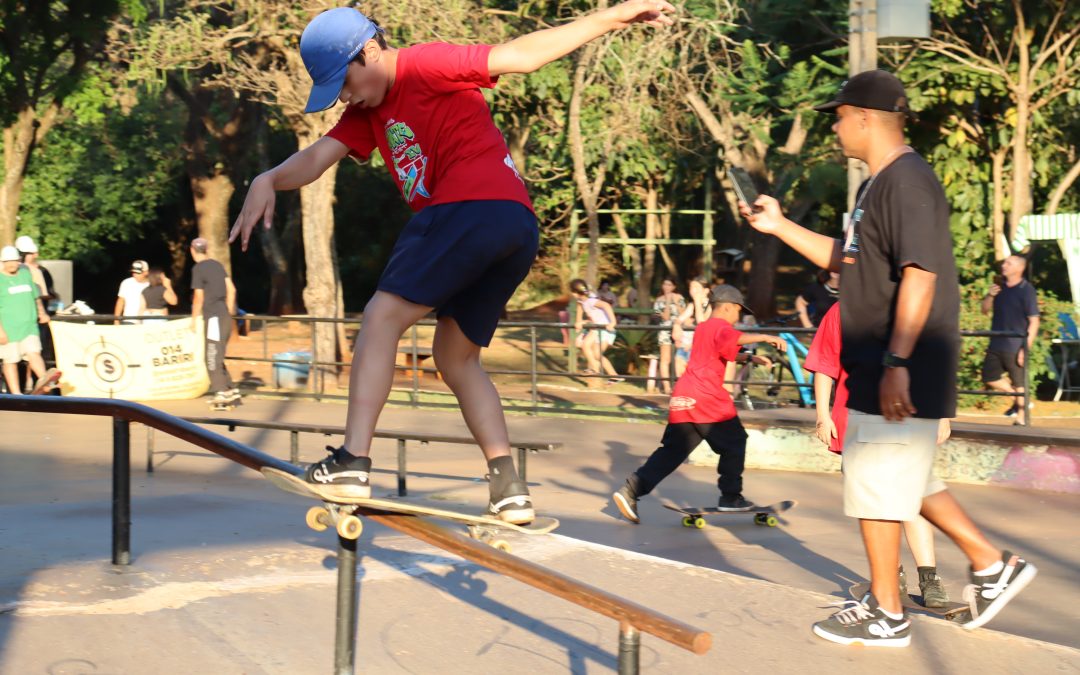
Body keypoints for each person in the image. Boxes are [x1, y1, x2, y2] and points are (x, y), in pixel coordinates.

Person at [228, 3, 675, 523]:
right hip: (513, 226)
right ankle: (508, 485)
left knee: (380, 318)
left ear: (369, 50)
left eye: (343, 82)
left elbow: (520, 56)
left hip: (467, 208)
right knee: (455, 357)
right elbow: (316, 157)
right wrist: (267, 179)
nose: (344, 97)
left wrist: (611, 17)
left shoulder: (424, 64)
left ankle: (352, 459)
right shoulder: (366, 113)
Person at [740, 69, 1036, 646]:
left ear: (867, 119)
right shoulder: (875, 187)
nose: (836, 125)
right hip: (884, 358)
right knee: (904, 478)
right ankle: (990, 565)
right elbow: (844, 260)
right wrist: (778, 226)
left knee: (876, 480)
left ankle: (887, 611)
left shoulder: (907, 183)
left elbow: (921, 275)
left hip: (901, 358)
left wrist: (898, 361)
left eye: (840, 115)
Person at [805, 302, 951, 607]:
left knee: (913, 499)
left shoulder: (906, 304)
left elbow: (932, 363)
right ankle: (891, 575)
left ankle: (930, 579)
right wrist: (822, 414)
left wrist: (942, 414)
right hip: (855, 420)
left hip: (906, 417)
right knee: (874, 505)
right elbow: (825, 364)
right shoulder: (840, 311)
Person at [612, 285, 788, 520]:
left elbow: (721, 350)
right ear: (728, 307)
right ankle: (731, 497)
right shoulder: (721, 326)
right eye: (738, 312)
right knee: (735, 442)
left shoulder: (704, 327)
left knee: (672, 452)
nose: (738, 317)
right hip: (707, 398)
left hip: (684, 397)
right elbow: (733, 338)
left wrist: (749, 357)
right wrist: (765, 336)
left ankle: (631, 490)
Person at [980, 255, 1039, 424]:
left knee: (1018, 382)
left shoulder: (1026, 290)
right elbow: (984, 310)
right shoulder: (999, 286)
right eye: (1004, 262)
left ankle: (1021, 420)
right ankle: (1019, 401)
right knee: (989, 378)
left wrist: (1025, 348)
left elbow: (1034, 321)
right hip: (996, 342)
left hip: (1015, 344)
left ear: (1019, 268)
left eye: (1008, 263)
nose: (1004, 265)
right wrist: (990, 296)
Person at [0, 246, 57, 394]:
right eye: (8, 262)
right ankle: (16, 393)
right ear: (3, 262)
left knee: (34, 352)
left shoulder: (25, 274)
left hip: (29, 325)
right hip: (9, 328)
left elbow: (35, 297)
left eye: (15, 261)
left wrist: (42, 312)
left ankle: (44, 380)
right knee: (10, 360)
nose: (12, 264)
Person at [190, 238, 238, 406]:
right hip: (223, 315)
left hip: (213, 318)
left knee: (210, 356)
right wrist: (229, 312)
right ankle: (229, 388)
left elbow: (198, 297)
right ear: (207, 249)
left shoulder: (198, 269)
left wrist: (194, 319)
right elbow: (232, 290)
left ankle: (221, 392)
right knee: (217, 354)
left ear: (192, 250)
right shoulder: (217, 265)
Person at [569, 279, 621, 384]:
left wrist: (613, 322)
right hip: (596, 328)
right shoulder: (582, 300)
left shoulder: (591, 300)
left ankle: (598, 369)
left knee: (596, 353)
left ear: (575, 292)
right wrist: (579, 324)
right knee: (586, 346)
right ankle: (611, 375)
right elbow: (580, 313)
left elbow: (606, 306)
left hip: (605, 329)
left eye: (572, 292)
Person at [672, 276, 711, 377]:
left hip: (700, 347)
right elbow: (680, 319)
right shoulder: (692, 305)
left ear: (706, 290)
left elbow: (701, 322)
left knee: (694, 376)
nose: (693, 290)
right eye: (691, 287)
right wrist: (676, 325)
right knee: (680, 373)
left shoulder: (711, 306)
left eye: (696, 287)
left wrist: (698, 301)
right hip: (686, 345)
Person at [652, 277, 685, 394]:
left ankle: (681, 385)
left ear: (674, 287)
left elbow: (684, 314)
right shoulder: (658, 300)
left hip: (679, 330)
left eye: (669, 285)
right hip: (665, 330)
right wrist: (667, 301)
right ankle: (666, 386)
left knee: (680, 358)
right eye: (665, 284)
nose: (666, 287)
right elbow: (665, 317)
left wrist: (675, 302)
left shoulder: (680, 297)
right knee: (665, 359)